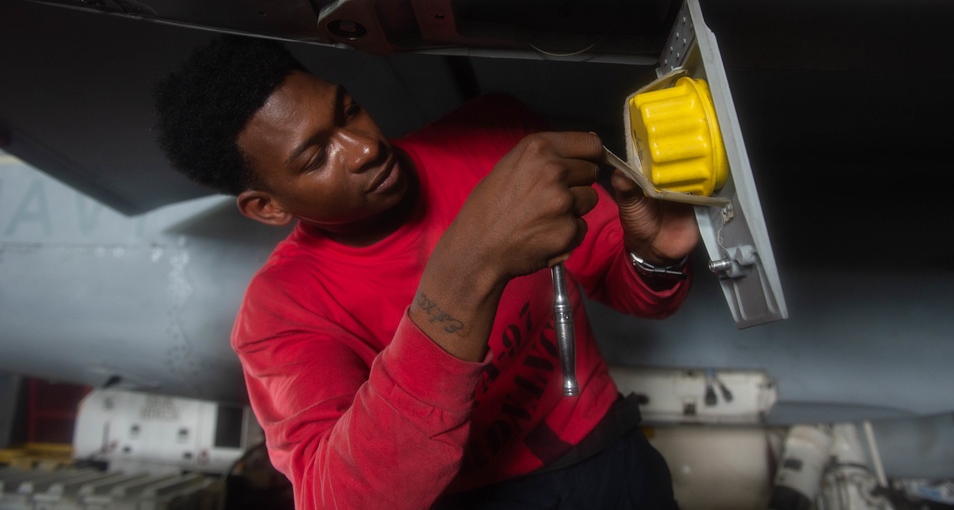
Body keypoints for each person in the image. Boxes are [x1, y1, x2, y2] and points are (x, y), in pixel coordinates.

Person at [153, 36, 700, 509]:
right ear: (267, 206)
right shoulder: (281, 313)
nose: (366, 146)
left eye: (348, 111)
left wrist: (655, 255)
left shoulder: (493, 135)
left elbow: (633, 290)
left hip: (612, 451)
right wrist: (468, 269)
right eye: (315, 158)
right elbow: (338, 500)